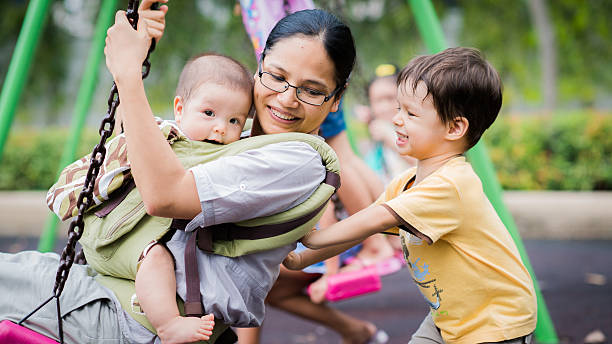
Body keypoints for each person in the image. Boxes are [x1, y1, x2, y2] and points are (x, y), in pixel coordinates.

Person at [1, 4, 384, 344]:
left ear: (336, 98)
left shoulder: (297, 160)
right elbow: (137, 148)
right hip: (110, 290)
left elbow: (164, 195)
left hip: (132, 321)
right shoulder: (237, 139)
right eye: (277, 76)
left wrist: (129, 75)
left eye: (312, 90)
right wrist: (139, 51)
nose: (286, 98)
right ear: (259, 65)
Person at [284, 47, 538, 344]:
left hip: (495, 325)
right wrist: (298, 259)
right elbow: (362, 229)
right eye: (398, 109)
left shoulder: (451, 185)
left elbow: (374, 219)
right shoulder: (407, 181)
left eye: (411, 113)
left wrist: (307, 237)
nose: (396, 120)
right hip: (449, 318)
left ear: (455, 127)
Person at [129, 52, 252, 343]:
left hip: (196, 251)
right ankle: (168, 324)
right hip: (151, 238)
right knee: (156, 259)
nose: (220, 128)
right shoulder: (169, 141)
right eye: (209, 114)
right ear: (180, 109)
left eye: (234, 120)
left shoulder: (230, 152)